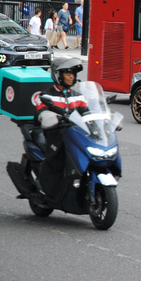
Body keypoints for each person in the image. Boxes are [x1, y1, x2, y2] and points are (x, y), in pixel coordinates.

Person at [35, 58, 87, 201]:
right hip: (55, 133)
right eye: (68, 73)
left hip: (74, 134)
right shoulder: (46, 95)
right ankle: (45, 188)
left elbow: (87, 112)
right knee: (56, 157)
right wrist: (52, 117)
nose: (72, 76)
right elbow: (42, 113)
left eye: (73, 73)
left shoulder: (77, 96)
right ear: (58, 75)